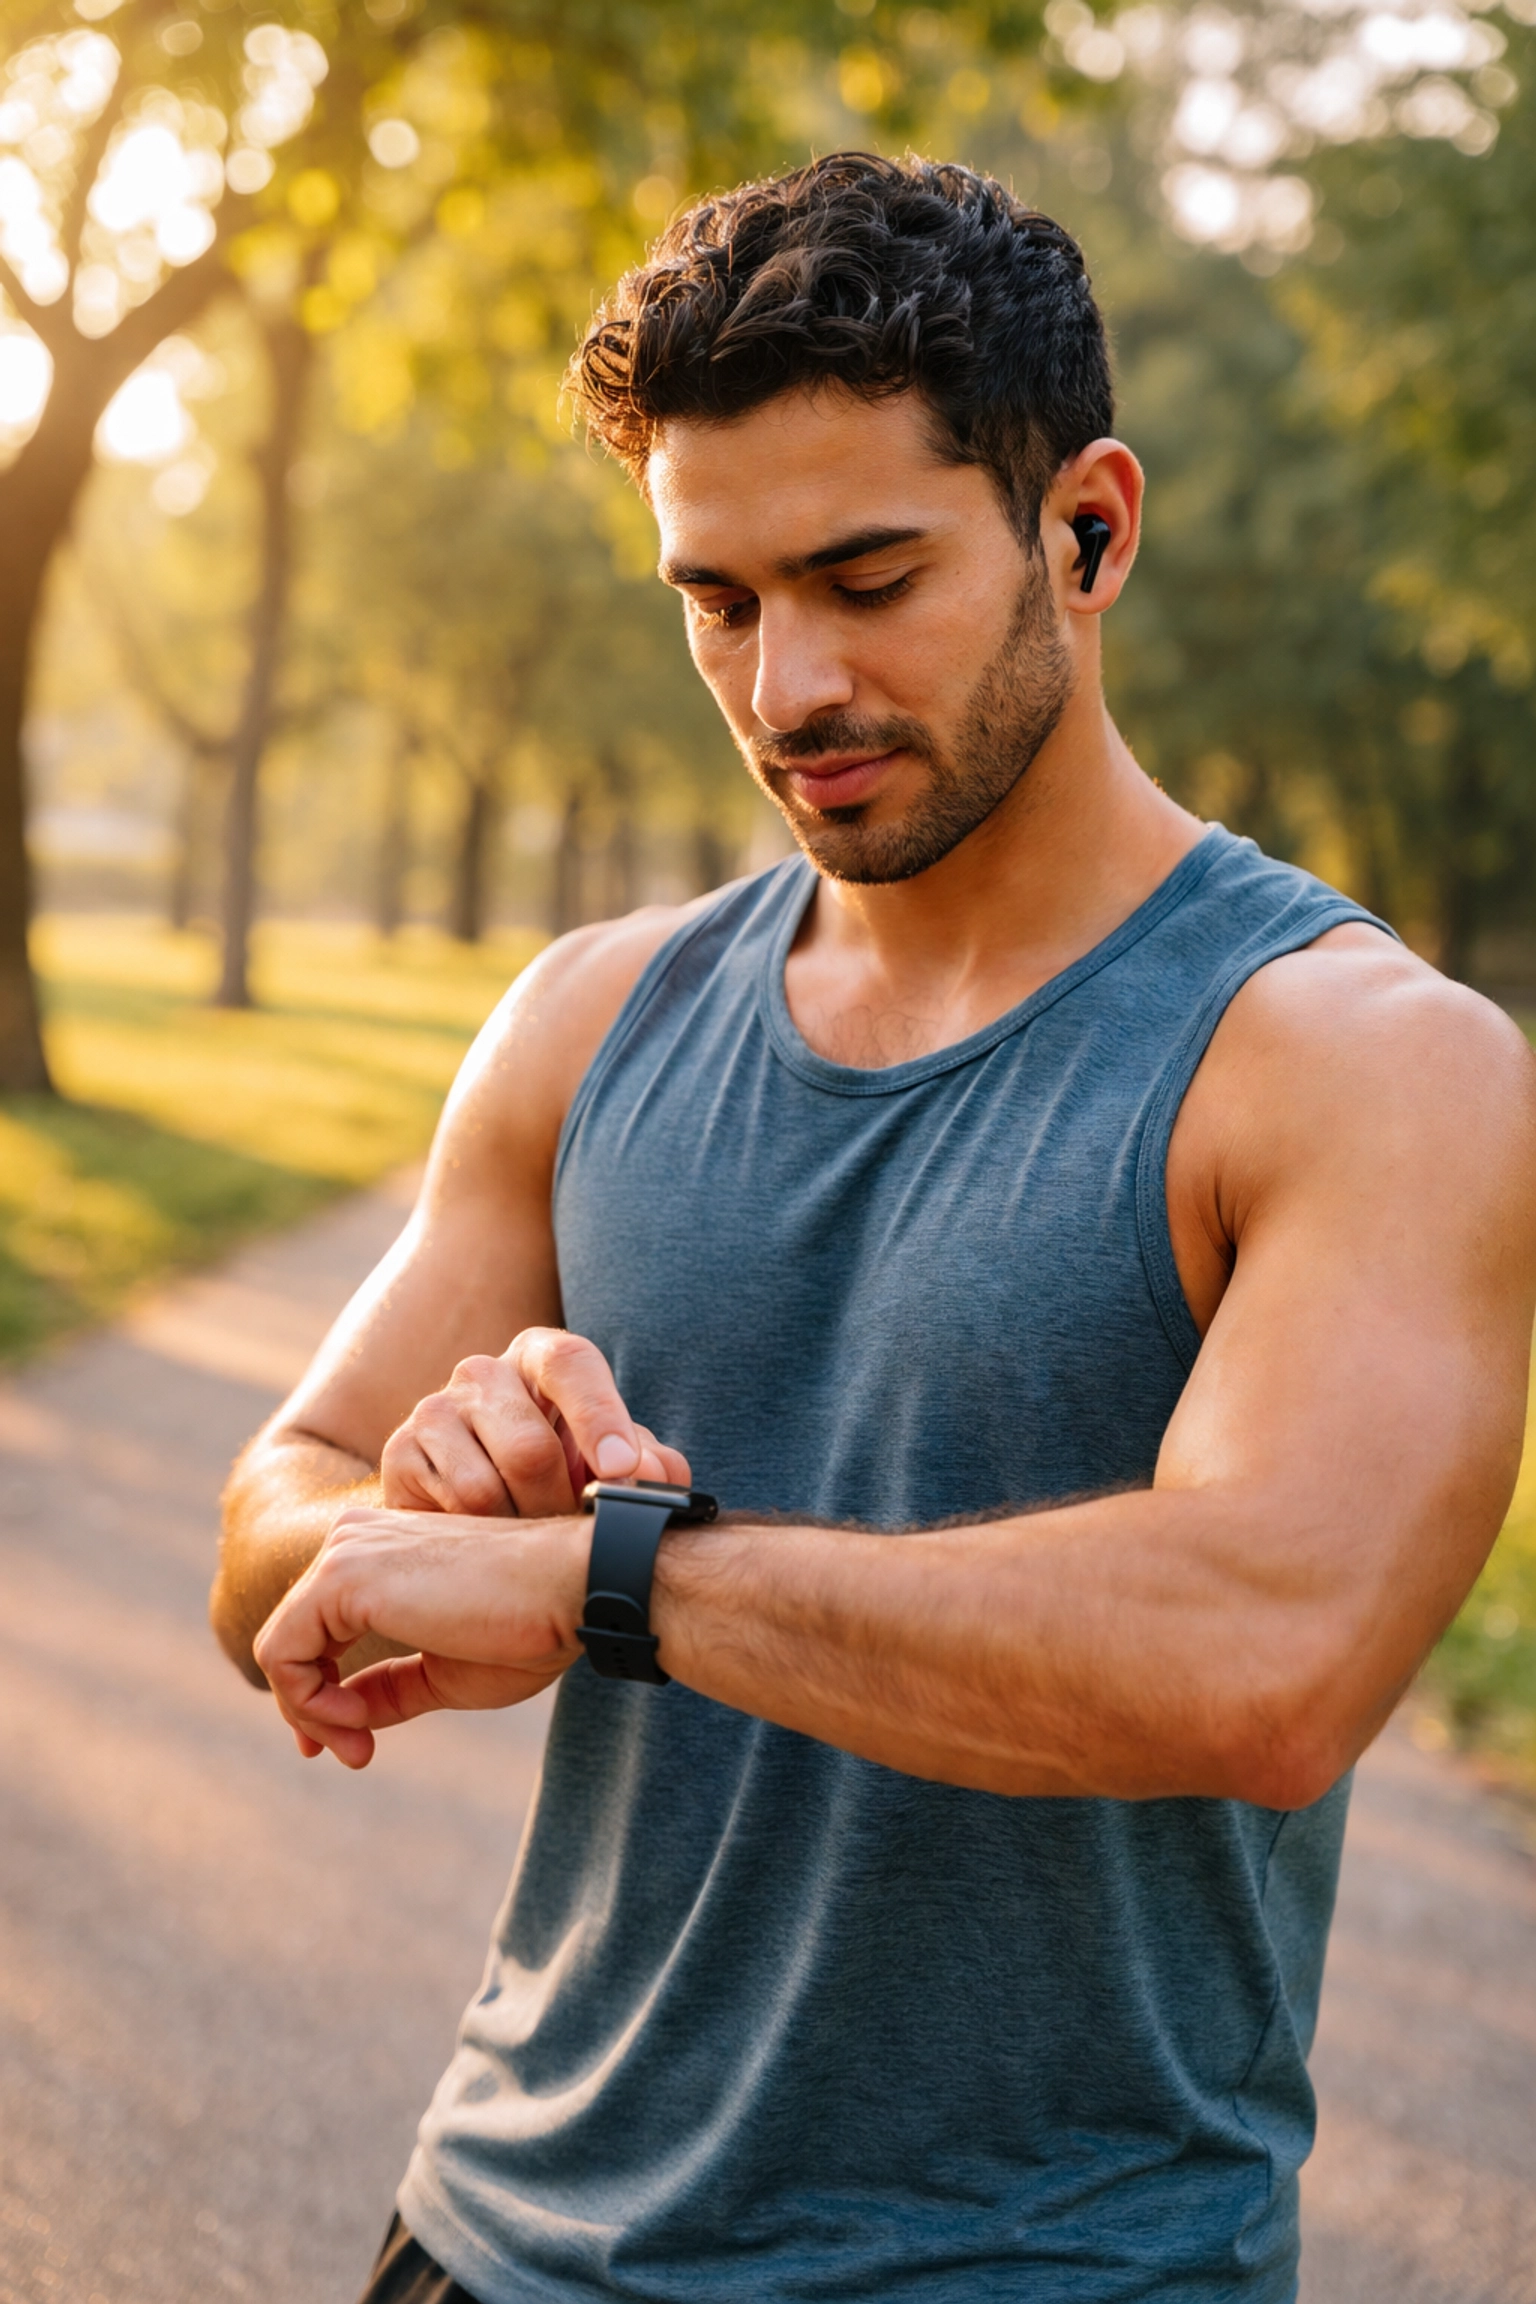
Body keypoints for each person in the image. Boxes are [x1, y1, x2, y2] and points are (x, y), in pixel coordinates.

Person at [213, 155, 1536, 2304]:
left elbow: (1269, 1662)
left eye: (865, 575)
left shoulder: (1367, 1061)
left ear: (1086, 530)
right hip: (492, 2237)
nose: (786, 684)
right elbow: (274, 1521)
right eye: (718, 599)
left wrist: (608, 1576)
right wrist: (422, 1501)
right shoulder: (590, 1018)